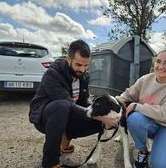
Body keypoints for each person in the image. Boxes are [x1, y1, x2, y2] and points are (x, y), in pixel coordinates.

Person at [29, 39, 117, 168]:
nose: (82, 69)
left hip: (66, 115)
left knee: (103, 120)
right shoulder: (53, 74)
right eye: (78, 65)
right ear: (68, 59)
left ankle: (65, 139)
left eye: (86, 65)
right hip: (44, 117)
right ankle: (50, 162)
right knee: (62, 106)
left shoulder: (84, 76)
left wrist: (105, 117)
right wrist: (100, 117)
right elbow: (68, 104)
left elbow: (83, 102)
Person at [116, 48, 166, 168]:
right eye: (158, 61)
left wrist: (136, 106)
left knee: (160, 164)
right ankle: (143, 151)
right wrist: (111, 102)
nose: (161, 66)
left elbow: (164, 114)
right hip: (150, 123)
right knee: (134, 119)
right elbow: (127, 95)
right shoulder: (145, 79)